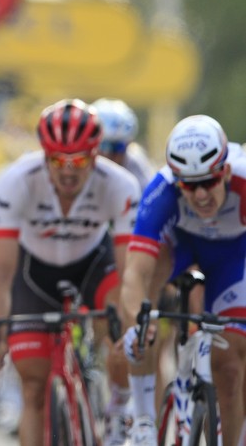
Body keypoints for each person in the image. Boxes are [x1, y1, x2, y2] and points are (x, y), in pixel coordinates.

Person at [0, 99, 141, 446]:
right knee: (33, 386)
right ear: (44, 155)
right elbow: (0, 266)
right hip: (34, 273)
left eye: (79, 161)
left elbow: (131, 269)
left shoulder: (121, 184)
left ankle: (117, 406)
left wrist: (128, 324)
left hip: (94, 264)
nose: (68, 171)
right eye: (58, 161)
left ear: (96, 156)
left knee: (122, 333)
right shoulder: (17, 180)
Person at [120, 115, 246, 446]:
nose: (201, 194)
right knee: (141, 313)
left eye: (209, 182)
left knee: (229, 365)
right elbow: (135, 271)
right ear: (178, 181)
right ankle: (144, 418)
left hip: (234, 256)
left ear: (226, 172)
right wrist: (137, 321)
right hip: (180, 248)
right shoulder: (161, 190)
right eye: (190, 185)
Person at [92, 98, 156, 191]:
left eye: (117, 147)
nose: (108, 154)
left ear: (128, 144)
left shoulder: (137, 166)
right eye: (103, 145)